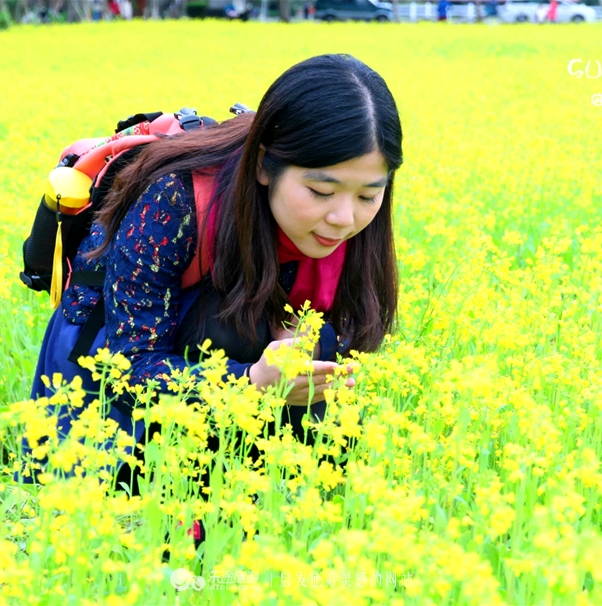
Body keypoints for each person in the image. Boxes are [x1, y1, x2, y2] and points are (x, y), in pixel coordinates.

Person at [23, 54, 403, 510]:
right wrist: (252, 383)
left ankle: (287, 500)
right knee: (230, 329)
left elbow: (350, 332)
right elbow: (130, 367)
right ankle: (188, 502)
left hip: (215, 375)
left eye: (368, 195)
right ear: (264, 166)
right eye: (321, 192)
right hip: (105, 383)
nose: (344, 218)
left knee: (314, 343)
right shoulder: (176, 197)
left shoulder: (352, 223)